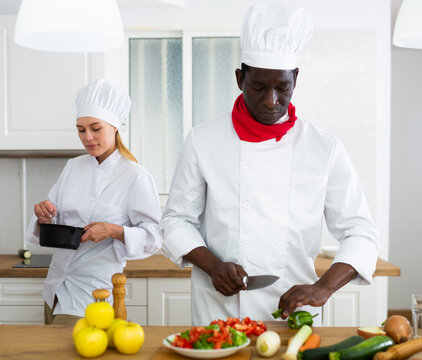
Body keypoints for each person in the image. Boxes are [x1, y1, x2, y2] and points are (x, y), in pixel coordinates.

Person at [160, 3, 379, 326]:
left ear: (296, 79)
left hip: (295, 314)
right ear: (239, 79)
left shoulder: (323, 148)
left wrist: (323, 287)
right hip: (221, 313)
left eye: (282, 88)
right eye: (258, 87)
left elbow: (361, 233)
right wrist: (212, 265)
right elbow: (176, 221)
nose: (270, 101)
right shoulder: (203, 141)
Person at [25, 79, 163, 325]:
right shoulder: (73, 166)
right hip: (55, 288)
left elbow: (154, 237)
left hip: (93, 295)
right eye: (81, 129)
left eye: (95, 128)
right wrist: (45, 216)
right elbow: (55, 219)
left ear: (115, 126)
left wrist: (113, 231)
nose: (87, 137)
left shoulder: (135, 176)